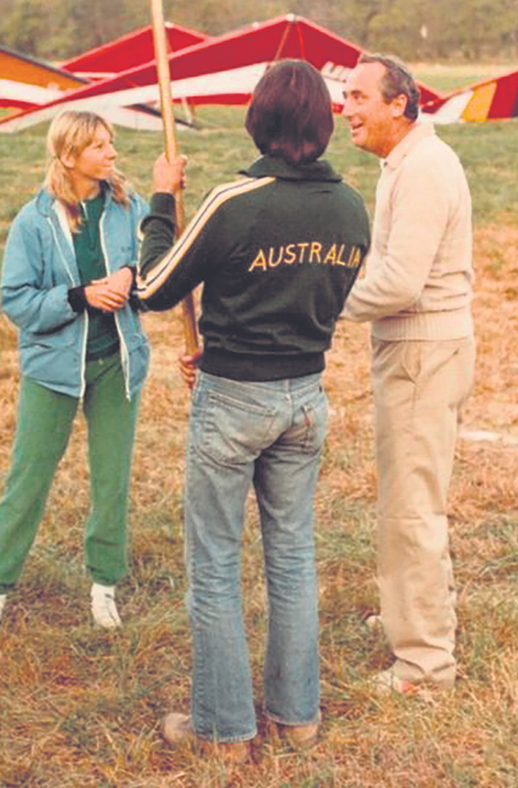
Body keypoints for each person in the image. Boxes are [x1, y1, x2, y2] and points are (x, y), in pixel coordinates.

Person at [137, 59, 370, 760]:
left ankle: (223, 730)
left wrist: (158, 198)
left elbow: (152, 284)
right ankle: (298, 717)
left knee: (214, 563)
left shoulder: (236, 199)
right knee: (293, 555)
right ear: (324, 125)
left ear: (258, 121)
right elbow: (320, 298)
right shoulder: (352, 206)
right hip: (305, 400)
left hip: (235, 400)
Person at [0, 110, 149, 637]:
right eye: (99, 146)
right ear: (69, 156)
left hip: (117, 364)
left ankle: (104, 586)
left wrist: (130, 276)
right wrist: (80, 296)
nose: (112, 153)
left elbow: (158, 266)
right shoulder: (35, 220)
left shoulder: (127, 206)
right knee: (28, 479)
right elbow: (16, 301)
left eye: (111, 143)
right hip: (53, 370)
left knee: (112, 480)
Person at [341, 53, 475, 694]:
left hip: (423, 352)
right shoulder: (407, 163)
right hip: (419, 350)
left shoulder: (423, 167)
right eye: (346, 96)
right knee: (410, 498)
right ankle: (412, 616)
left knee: (411, 509)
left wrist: (314, 304)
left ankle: (424, 664)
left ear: (400, 103)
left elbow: (397, 282)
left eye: (362, 97)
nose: (348, 109)